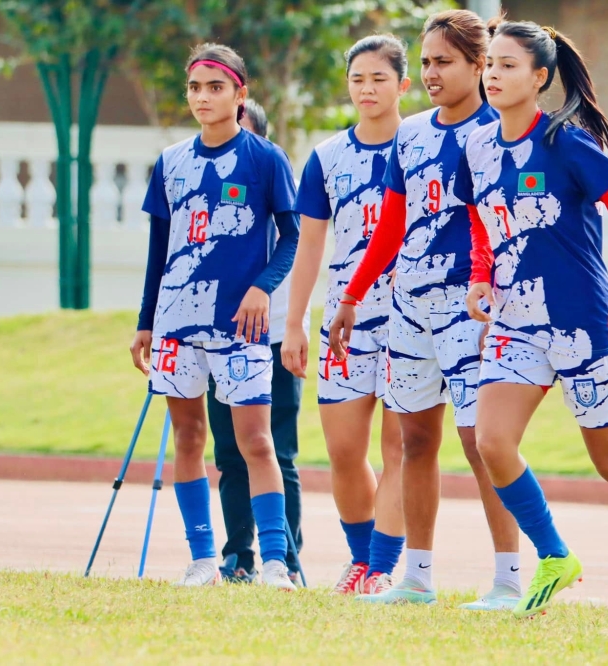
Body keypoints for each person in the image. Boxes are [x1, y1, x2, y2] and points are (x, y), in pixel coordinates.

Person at [455, 19, 608, 626]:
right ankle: (555, 556)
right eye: (491, 65)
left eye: (509, 66)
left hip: (584, 325)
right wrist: (481, 275)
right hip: (514, 324)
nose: (494, 75)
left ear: (540, 78)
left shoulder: (566, 141)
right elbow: (484, 218)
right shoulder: (478, 145)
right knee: (491, 443)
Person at [327, 10, 522, 610]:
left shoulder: (501, 132)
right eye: (428, 62)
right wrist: (354, 296)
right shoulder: (409, 133)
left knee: (479, 442)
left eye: (444, 62)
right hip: (409, 305)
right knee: (415, 439)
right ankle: (416, 577)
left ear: (478, 65)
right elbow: (390, 223)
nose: (432, 73)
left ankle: (510, 580)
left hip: (473, 307)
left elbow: (508, 221)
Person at [128, 43, 300, 589]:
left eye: (216, 88)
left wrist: (261, 289)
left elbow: (292, 237)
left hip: (240, 328)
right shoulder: (170, 162)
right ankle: (203, 559)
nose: (203, 98)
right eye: (196, 88)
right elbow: (160, 250)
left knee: (255, 442)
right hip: (177, 324)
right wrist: (146, 322)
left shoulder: (265, 159)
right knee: (189, 439)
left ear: (240, 95)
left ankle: (274, 562)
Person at [281, 35, 411, 595]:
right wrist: (297, 322)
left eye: (379, 78)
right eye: (358, 79)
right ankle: (360, 559)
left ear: (403, 85)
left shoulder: (425, 144)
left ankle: (381, 568)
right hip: (345, 322)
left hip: (412, 319)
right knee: (342, 451)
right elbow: (309, 246)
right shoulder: (327, 157)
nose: (367, 89)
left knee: (399, 448)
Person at [206, 97, 310, 585]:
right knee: (228, 452)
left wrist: (293, 330)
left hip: (273, 337)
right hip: (222, 337)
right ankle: (237, 554)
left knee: (275, 451)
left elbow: (296, 250)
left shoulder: (274, 174)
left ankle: (284, 557)